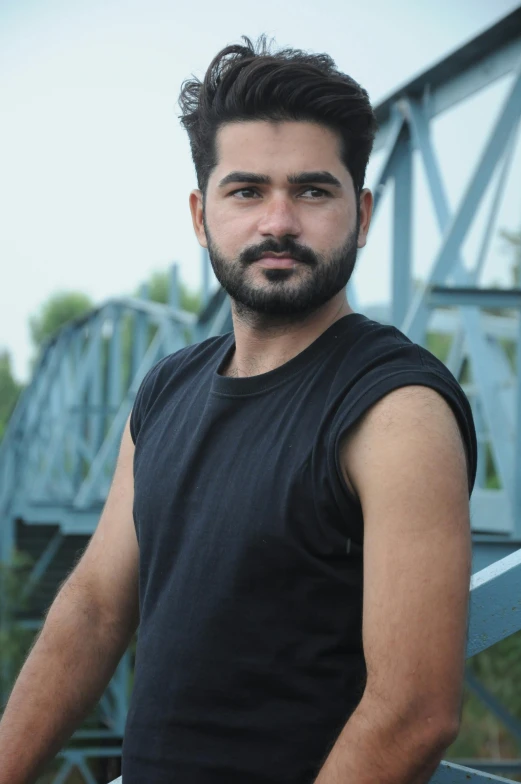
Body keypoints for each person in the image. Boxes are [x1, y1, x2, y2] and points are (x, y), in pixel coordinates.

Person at [0, 35, 476, 784]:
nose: (277, 223)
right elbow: (93, 609)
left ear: (364, 213)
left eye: (313, 191)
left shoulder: (394, 409)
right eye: (246, 191)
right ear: (200, 214)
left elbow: (413, 713)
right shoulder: (164, 389)